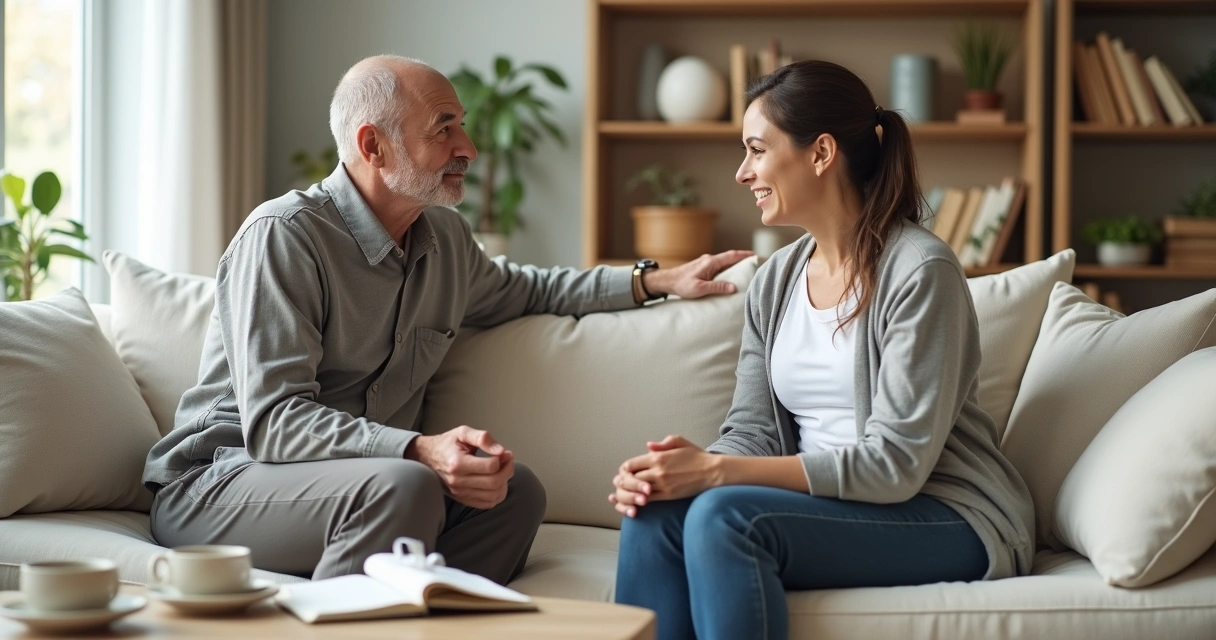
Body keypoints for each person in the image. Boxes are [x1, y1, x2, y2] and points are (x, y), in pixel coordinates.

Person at [142, 55, 750, 584]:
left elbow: (526, 289)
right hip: (224, 482)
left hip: (361, 488)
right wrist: (419, 449)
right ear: (372, 145)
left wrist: (655, 281)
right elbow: (275, 424)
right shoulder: (285, 237)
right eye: (445, 128)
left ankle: (425, 612)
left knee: (511, 493)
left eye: (462, 125)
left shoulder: (445, 240)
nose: (469, 148)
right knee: (403, 485)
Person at [610, 60, 1034, 640]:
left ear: (820, 153)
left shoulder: (920, 271)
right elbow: (752, 431)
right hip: (837, 508)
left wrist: (716, 475)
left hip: (946, 513)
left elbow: (895, 466)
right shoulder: (777, 279)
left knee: (724, 517)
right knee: (653, 513)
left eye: (757, 150)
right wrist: (683, 470)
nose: (741, 172)